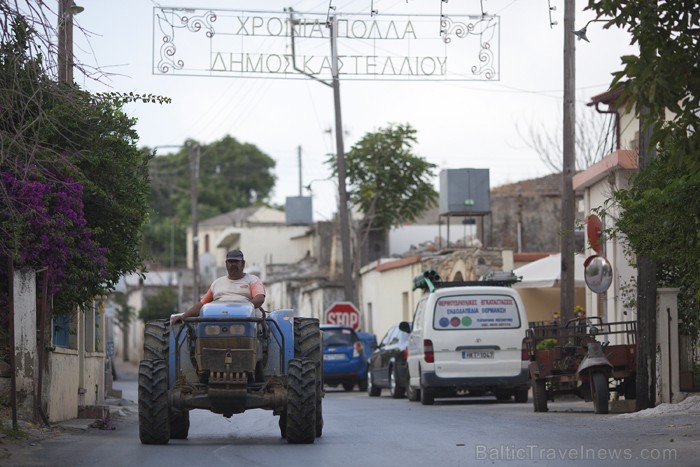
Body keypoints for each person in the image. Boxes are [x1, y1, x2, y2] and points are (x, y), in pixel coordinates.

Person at [170, 249, 266, 325]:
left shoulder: (252, 280)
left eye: (236, 261)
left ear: (243, 264)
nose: (233, 264)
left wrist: (244, 307)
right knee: (180, 327)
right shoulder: (217, 283)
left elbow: (260, 298)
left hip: (247, 322)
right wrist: (183, 316)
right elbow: (202, 304)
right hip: (216, 324)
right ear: (226, 264)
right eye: (230, 261)